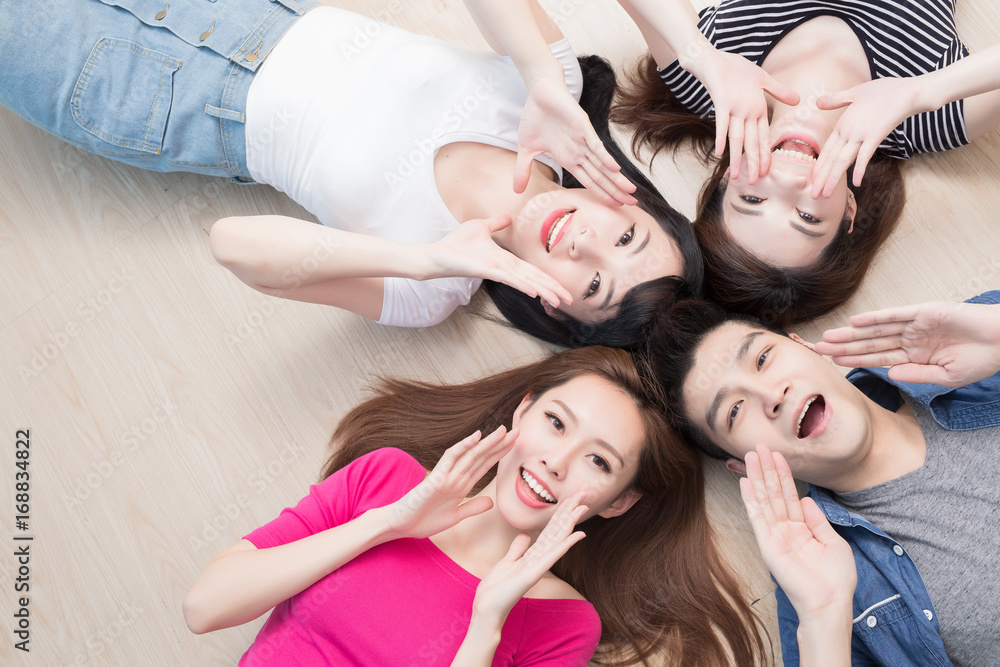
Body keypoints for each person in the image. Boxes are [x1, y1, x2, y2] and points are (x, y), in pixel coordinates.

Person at [0, 0, 701, 349]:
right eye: (628, 238)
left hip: (157, 98)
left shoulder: (430, 291)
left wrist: (423, 258)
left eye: (599, 283)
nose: (588, 244)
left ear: (561, 309)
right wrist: (545, 75)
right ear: (631, 200)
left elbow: (235, 245)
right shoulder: (549, 96)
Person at [183, 347, 770, 665]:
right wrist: (386, 524)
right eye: (555, 423)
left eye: (599, 462)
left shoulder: (565, 624)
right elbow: (205, 607)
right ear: (522, 412)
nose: (557, 463)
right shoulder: (385, 479)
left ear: (619, 503)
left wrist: (485, 628)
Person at [645, 293, 1000, 665]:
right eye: (735, 410)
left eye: (763, 358)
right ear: (745, 465)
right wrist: (824, 617)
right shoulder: (812, 581)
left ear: (806, 347)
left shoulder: (964, 335)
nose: (771, 395)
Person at [614, 0, 1000, 327]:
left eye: (752, 201)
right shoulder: (928, 119)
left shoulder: (713, 85)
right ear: (849, 211)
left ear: (726, 181)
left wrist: (698, 52)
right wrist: (923, 91)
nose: (784, 179)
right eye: (808, 217)